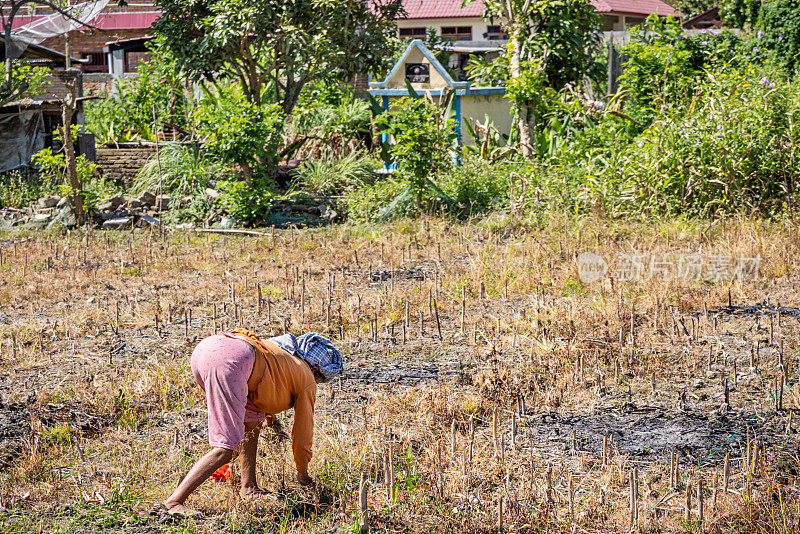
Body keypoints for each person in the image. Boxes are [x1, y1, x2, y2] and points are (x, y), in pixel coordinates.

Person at [156, 328, 343, 517]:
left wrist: (270, 418)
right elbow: (303, 434)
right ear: (316, 369)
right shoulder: (306, 377)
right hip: (230, 363)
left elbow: (268, 386)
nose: (317, 383)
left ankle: (249, 488)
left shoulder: (282, 353)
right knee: (228, 447)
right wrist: (303, 475)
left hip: (207, 350)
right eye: (321, 379)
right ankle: (174, 502)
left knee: (251, 426)